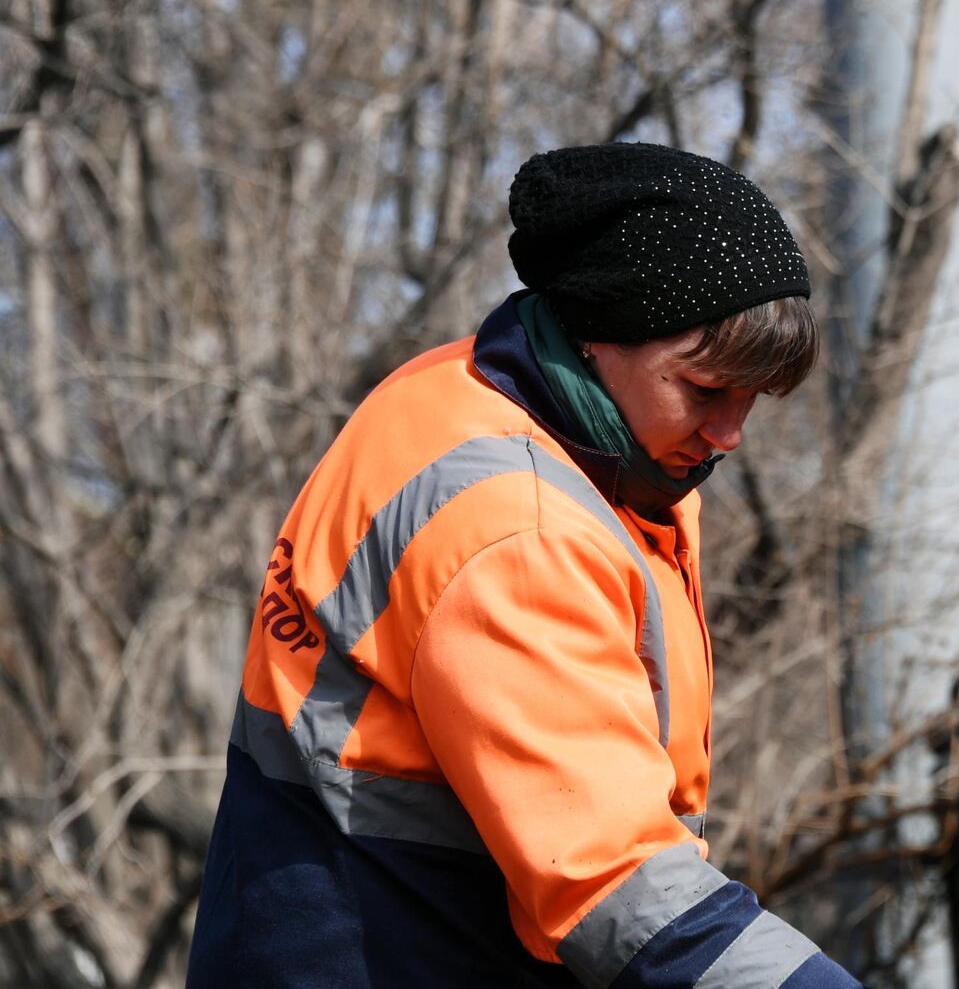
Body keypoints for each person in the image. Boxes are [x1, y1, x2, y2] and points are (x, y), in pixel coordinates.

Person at [187, 143, 860, 987]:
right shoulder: (520, 524)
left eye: (752, 400)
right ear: (596, 334)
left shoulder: (485, 403)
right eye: (706, 388)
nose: (730, 433)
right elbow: (617, 881)